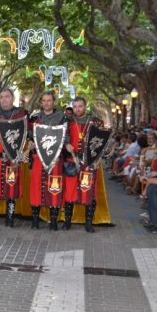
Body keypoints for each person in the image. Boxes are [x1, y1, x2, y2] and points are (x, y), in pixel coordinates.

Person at [0, 88, 29, 226]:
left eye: (7, 96)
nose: (4, 99)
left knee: (11, 188)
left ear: (12, 98)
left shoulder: (21, 114)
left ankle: (10, 217)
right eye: (1, 97)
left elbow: (28, 132)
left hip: (12, 158)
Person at [29, 91, 69, 230]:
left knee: (54, 189)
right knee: (36, 188)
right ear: (41, 103)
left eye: (49, 100)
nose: (46, 103)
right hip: (38, 158)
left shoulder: (61, 117)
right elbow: (29, 135)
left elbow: (65, 135)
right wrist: (30, 142)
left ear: (53, 102)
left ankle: (53, 221)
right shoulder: (34, 118)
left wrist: (67, 144)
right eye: (44, 100)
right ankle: (35, 220)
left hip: (55, 159)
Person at [62, 96, 103, 232]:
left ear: (85, 106)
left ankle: (88, 223)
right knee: (70, 191)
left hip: (89, 162)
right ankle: (67, 222)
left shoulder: (95, 122)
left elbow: (101, 141)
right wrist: (66, 143)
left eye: (80, 106)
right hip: (72, 160)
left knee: (88, 191)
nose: (77, 109)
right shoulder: (68, 121)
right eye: (75, 107)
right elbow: (63, 136)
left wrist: (96, 159)